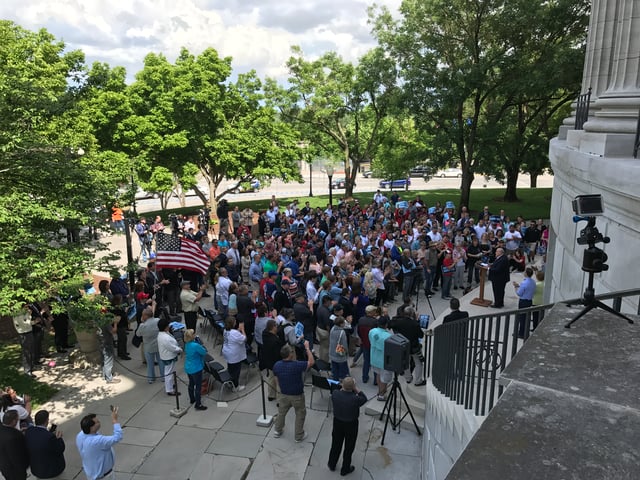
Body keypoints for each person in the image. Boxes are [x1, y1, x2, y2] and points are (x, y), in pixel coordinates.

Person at [272, 341, 314, 442]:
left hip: (284, 394)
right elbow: (311, 362)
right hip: (297, 395)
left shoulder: (277, 365)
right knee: (300, 413)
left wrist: (280, 389)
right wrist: (307, 348)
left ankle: (277, 430)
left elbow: (276, 378)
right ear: (290, 354)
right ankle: (299, 435)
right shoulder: (296, 365)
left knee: (281, 412)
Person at [327, 377, 367, 476]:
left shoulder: (335, 394)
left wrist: (344, 387)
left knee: (335, 444)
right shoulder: (355, 399)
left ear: (342, 386)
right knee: (349, 447)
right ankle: (345, 468)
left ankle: (332, 464)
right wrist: (356, 389)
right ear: (353, 387)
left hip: (337, 423)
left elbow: (336, 390)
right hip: (351, 425)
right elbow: (364, 398)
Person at [76, 408, 123, 480]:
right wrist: (115, 420)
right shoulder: (97, 441)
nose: (99, 422)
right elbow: (118, 437)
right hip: (104, 476)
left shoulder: (80, 436)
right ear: (91, 427)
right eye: (97, 422)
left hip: (91, 474)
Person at [389, 306, 425, 386]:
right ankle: (418, 380)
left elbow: (391, 323)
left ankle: (408, 378)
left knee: (406, 363)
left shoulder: (399, 322)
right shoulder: (415, 324)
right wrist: (416, 320)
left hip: (404, 345)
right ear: (412, 314)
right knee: (418, 363)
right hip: (414, 347)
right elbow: (421, 335)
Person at [25, 410, 66, 479]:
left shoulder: (29, 431)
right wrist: (59, 438)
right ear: (47, 420)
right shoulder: (49, 437)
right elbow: (60, 449)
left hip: (37, 470)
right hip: (52, 472)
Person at [0, 410, 30, 480]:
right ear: (13, 421)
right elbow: (18, 456)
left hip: (4, 467)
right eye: (17, 419)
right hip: (16, 472)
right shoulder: (16, 436)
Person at [259, 319, 284, 401]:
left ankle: (271, 395)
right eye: (276, 326)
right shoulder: (275, 341)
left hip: (268, 361)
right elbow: (278, 354)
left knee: (271, 378)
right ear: (273, 327)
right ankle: (279, 400)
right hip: (276, 362)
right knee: (278, 381)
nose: (277, 328)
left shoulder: (264, 334)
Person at [369, 317, 393, 401]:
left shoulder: (372, 331)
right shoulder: (388, 336)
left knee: (378, 375)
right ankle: (381, 395)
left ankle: (380, 391)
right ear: (386, 325)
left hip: (374, 358)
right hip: (383, 360)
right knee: (384, 378)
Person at [184, 329, 208, 411]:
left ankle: (192, 399)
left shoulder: (187, 344)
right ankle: (198, 404)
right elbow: (204, 352)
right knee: (198, 386)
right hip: (196, 368)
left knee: (191, 383)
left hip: (188, 367)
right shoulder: (195, 345)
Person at [157, 317, 183, 396]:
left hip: (167, 355)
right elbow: (172, 348)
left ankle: (171, 385)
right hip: (168, 356)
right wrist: (180, 349)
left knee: (170, 372)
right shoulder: (165, 338)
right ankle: (169, 389)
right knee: (168, 373)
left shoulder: (163, 334)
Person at [136, 307, 161, 384]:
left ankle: (151, 378)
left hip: (148, 346)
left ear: (146, 316)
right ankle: (163, 377)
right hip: (158, 344)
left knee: (150, 364)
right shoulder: (158, 320)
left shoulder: (143, 325)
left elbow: (138, 334)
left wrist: (141, 323)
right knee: (161, 362)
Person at [222, 317, 247, 391]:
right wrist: (242, 330)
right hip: (234, 355)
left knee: (230, 368)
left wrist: (238, 330)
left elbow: (233, 335)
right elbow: (244, 339)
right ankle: (235, 386)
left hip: (227, 351)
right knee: (236, 371)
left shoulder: (225, 330)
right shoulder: (234, 333)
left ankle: (230, 383)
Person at [514, 267, 537, 338]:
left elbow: (519, 293)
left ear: (526, 274)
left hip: (523, 301)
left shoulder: (524, 282)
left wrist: (516, 287)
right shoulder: (533, 282)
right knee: (527, 317)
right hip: (529, 300)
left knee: (522, 318)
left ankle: (521, 333)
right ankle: (525, 331)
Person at [329, 316, 350, 381]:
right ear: (341, 324)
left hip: (332, 352)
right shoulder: (342, 332)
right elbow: (344, 345)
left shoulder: (332, 329)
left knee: (334, 369)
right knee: (342, 369)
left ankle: (335, 382)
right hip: (340, 354)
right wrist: (346, 352)